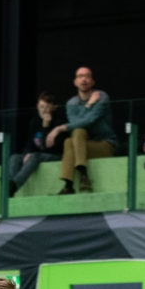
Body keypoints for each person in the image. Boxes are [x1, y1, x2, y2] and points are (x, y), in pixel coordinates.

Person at [48, 66, 117, 194]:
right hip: (82, 146)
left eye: (87, 76)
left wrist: (60, 128)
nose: (84, 79)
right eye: (80, 76)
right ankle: (75, 181)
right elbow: (75, 124)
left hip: (105, 144)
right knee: (71, 139)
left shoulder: (101, 96)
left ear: (92, 81)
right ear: (75, 82)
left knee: (76, 134)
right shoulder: (71, 103)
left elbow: (89, 121)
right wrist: (88, 104)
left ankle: (76, 179)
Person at [8, 91, 66, 197]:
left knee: (35, 156)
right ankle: (9, 186)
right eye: (41, 107)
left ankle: (14, 185)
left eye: (47, 107)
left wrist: (46, 126)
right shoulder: (34, 122)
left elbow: (48, 148)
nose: (43, 111)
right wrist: (27, 153)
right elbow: (30, 143)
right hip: (37, 154)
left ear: (53, 108)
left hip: (55, 155)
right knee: (15, 158)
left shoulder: (58, 123)